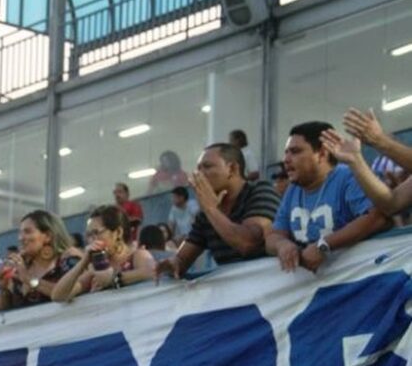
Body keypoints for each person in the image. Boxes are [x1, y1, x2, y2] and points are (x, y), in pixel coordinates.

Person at [266, 121, 389, 273]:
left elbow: (376, 217)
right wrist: (282, 245)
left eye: (295, 151)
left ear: (322, 154)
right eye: (286, 152)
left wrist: (325, 245)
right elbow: (274, 236)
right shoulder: (293, 189)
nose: (286, 159)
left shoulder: (349, 176)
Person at [156, 143, 280, 279]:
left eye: (207, 167)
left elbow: (248, 244)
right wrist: (173, 264)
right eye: (198, 169)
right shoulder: (206, 214)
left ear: (232, 168)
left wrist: (211, 209)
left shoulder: (260, 191)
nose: (200, 175)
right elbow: (182, 259)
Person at [52, 204, 155, 301]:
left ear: (118, 232)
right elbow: (58, 296)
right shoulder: (96, 268)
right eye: (88, 235)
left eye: (96, 233)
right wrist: (83, 262)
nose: (91, 240)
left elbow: (152, 272)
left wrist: (113, 279)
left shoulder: (136, 255)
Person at [320, 126, 412, 219]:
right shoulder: (378, 161)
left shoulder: (400, 159)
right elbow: (392, 205)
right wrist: (355, 160)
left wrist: (380, 140)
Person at [0, 209, 80, 309]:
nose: (20, 238)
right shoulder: (20, 269)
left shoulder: (67, 261)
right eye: (20, 233)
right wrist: (3, 289)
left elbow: (66, 293)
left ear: (48, 236)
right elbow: (7, 312)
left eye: (28, 232)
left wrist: (29, 279)